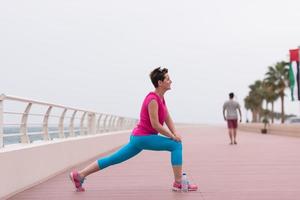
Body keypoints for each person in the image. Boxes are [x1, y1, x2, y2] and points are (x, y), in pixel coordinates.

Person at [69, 67, 198, 192]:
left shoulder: (160, 98)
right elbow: (156, 125)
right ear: (160, 83)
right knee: (176, 145)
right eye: (168, 79)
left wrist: (174, 132)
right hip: (143, 138)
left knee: (113, 159)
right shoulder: (152, 99)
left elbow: (166, 117)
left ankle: (79, 175)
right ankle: (179, 183)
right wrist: (172, 136)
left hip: (138, 138)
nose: (171, 81)